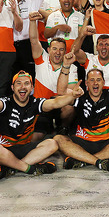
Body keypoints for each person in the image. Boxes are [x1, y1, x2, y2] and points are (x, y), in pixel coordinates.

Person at [53, 44, 109, 171]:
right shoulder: (80, 96)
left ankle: (83, 160)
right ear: (86, 83)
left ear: (103, 83)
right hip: (83, 141)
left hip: (107, 142)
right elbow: (61, 91)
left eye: (98, 80)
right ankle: (98, 161)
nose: (95, 83)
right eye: (91, 80)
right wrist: (66, 65)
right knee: (58, 139)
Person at [0, 71, 73, 176]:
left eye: (26, 83)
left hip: (23, 150)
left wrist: (72, 96)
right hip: (2, 150)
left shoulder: (35, 103)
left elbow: (55, 103)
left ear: (31, 88)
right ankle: (28, 168)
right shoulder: (6, 102)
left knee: (52, 144)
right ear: (12, 87)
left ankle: (13, 168)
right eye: (18, 83)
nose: (22, 87)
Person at [28, 12, 75, 140]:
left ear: (65, 52)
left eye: (61, 49)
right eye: (54, 49)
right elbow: (33, 39)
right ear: (48, 50)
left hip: (59, 105)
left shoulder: (72, 66)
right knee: (36, 137)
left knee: (69, 107)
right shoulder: (41, 58)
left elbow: (70, 92)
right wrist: (32, 22)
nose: (58, 52)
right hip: (42, 105)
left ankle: (63, 129)